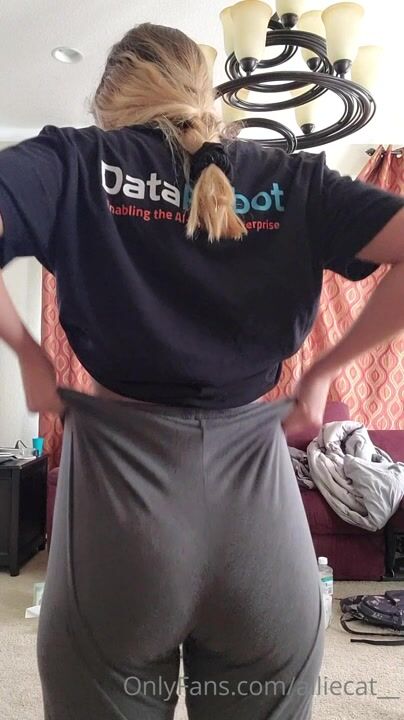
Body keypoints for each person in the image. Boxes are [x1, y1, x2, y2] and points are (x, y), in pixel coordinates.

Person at [0, 22, 403, 720]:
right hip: (261, 516)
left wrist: (28, 353)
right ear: (206, 93)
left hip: (118, 510)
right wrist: (325, 371)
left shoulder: (75, 161)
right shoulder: (291, 177)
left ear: (110, 100)